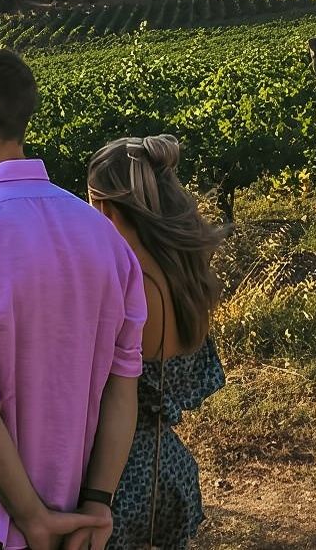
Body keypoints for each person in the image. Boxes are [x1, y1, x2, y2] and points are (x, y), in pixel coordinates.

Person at [0, 49, 147, 550]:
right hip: (72, 512)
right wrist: (97, 505)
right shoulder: (105, 238)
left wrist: (30, 518)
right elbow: (123, 386)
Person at [86, 135, 226, 550]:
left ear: (105, 207)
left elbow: (108, 389)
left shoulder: (133, 287)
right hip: (168, 465)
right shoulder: (184, 273)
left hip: (120, 475)